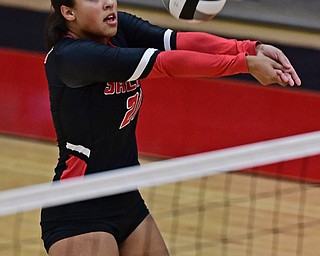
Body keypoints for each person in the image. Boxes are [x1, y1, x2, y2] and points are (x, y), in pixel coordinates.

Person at [40, 0, 301, 255]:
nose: (109, 3)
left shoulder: (117, 29)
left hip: (125, 196)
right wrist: (243, 64)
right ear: (68, 12)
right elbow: (166, 62)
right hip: (78, 208)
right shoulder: (71, 56)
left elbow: (180, 42)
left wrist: (249, 48)